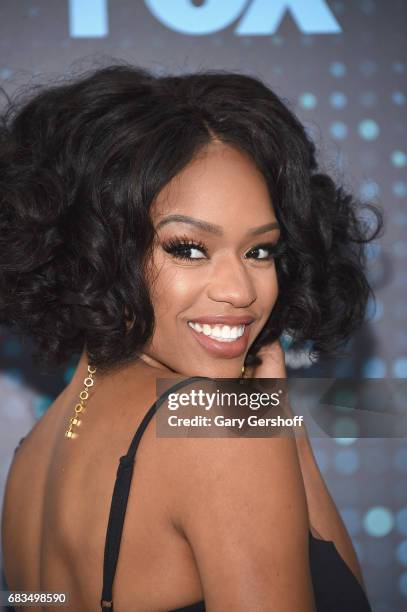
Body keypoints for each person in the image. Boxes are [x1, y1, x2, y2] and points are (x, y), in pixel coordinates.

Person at [0, 64, 382, 611]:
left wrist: (276, 424)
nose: (240, 291)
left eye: (260, 251)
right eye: (187, 248)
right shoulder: (211, 423)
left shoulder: (32, 455)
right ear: (97, 247)